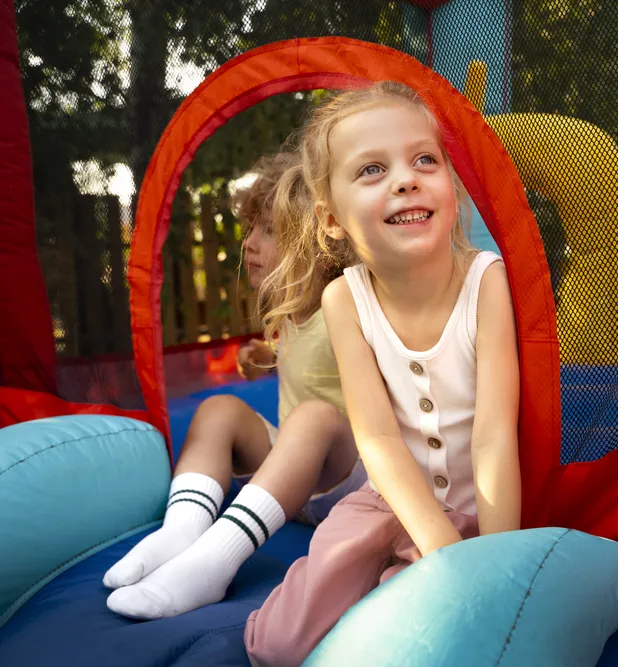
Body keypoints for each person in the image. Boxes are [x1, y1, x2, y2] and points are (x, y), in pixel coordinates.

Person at [243, 81, 522, 667]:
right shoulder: (347, 299)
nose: (406, 178)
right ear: (332, 220)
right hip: (389, 501)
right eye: (373, 170)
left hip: (481, 515)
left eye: (425, 159)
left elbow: (496, 435)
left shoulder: (485, 282)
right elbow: (378, 439)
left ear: (453, 189)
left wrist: (492, 566)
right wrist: (438, 546)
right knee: (279, 646)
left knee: (431, 631)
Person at [103, 152, 366, 620]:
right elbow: (303, 356)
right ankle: (182, 529)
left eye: (267, 230)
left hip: (351, 477)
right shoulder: (287, 312)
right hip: (292, 476)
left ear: (316, 242)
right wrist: (263, 355)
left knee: (315, 417)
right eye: (250, 230)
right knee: (219, 408)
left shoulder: (346, 305)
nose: (250, 244)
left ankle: (213, 562)